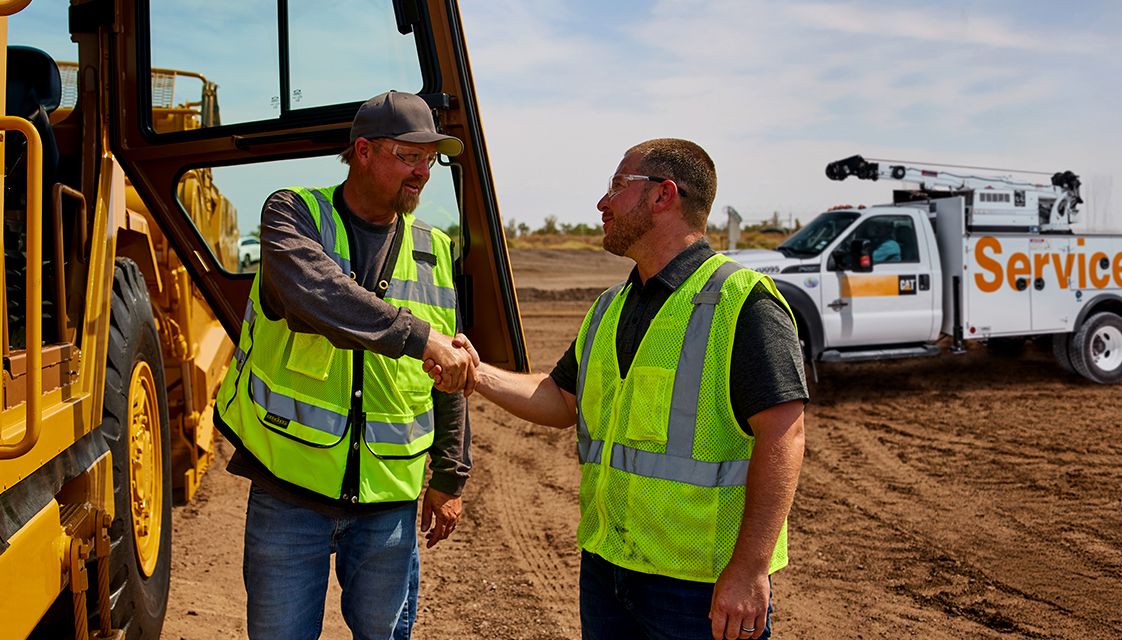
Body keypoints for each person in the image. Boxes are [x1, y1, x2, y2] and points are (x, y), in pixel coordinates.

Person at [448, 138, 807, 639]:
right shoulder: (610, 307)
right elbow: (561, 399)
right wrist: (475, 372)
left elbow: (784, 435)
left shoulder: (740, 301)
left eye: (617, 187)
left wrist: (749, 569)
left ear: (664, 196)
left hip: (698, 588)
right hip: (608, 569)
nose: (602, 203)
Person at [213, 90, 477, 640]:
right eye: (409, 156)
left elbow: (449, 371)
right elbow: (318, 297)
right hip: (289, 491)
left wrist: (450, 476)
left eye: (430, 159)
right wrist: (419, 337)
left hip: (388, 500)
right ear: (362, 151)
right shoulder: (294, 214)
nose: (423, 173)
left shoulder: (434, 249)